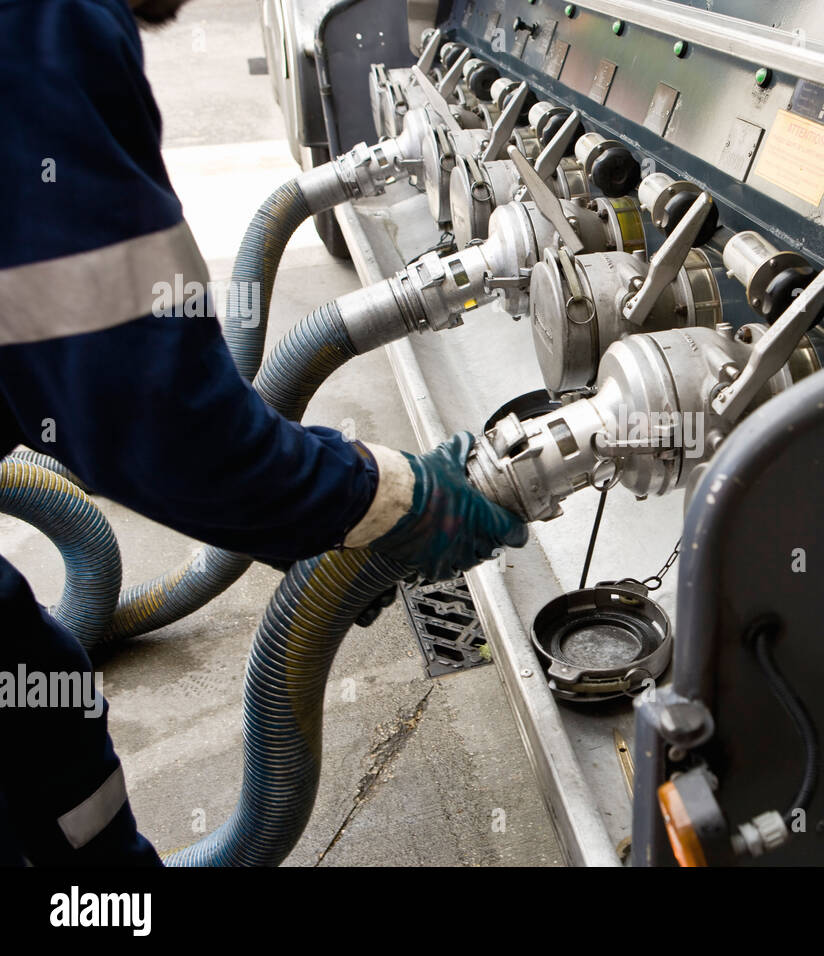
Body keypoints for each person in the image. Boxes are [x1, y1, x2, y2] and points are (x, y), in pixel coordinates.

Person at [0, 0, 526, 865]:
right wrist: (395, 501)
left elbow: (91, 383)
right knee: (36, 737)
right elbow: (148, 414)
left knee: (39, 701)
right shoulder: (43, 25)